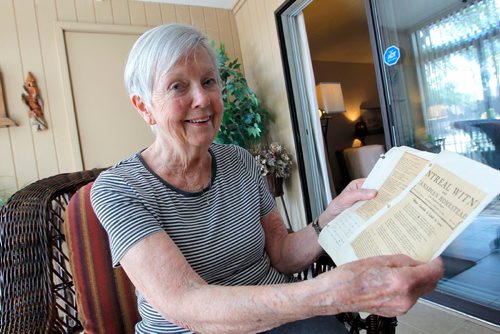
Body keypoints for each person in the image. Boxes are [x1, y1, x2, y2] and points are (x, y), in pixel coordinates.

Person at [91, 23, 443, 334]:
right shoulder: (119, 188)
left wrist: (333, 214)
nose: (203, 99)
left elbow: (283, 256)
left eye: (209, 81)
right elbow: (186, 305)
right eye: (177, 87)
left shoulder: (240, 161)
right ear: (143, 107)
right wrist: (331, 293)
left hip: (283, 321)